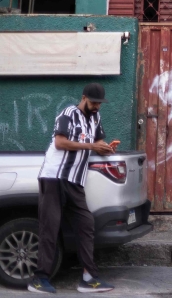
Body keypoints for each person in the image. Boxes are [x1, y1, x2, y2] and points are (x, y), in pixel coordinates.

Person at [29, 83, 116, 294]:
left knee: (86, 224)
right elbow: (60, 143)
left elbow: (98, 142)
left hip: (76, 181)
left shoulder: (95, 118)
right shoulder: (67, 114)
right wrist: (92, 146)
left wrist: (106, 148)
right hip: (54, 178)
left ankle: (89, 278)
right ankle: (39, 279)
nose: (97, 106)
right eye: (94, 102)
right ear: (84, 98)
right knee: (50, 227)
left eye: (99, 103)